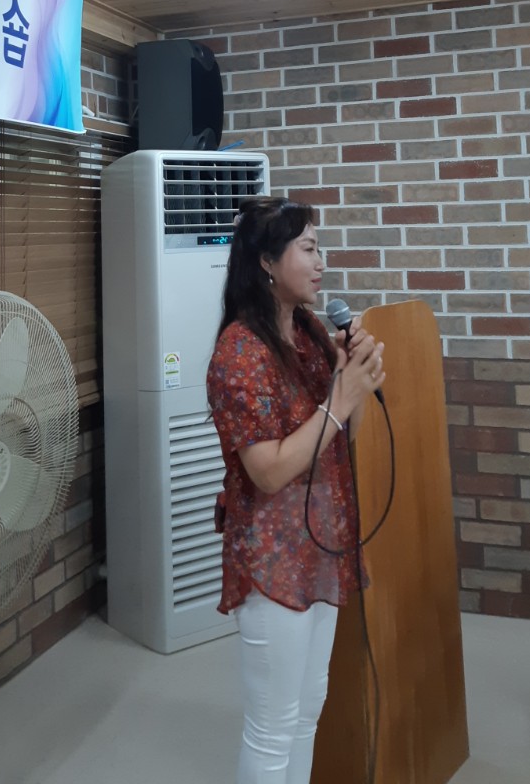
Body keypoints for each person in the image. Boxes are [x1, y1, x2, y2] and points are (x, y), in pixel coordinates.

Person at [206, 195, 386, 784]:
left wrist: (353, 382)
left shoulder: (309, 333)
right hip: (272, 557)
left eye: (319, 248)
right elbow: (269, 471)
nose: (321, 262)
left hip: (319, 544)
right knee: (272, 727)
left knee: (308, 712)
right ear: (266, 262)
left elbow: (343, 432)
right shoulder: (239, 352)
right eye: (308, 248)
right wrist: (341, 397)